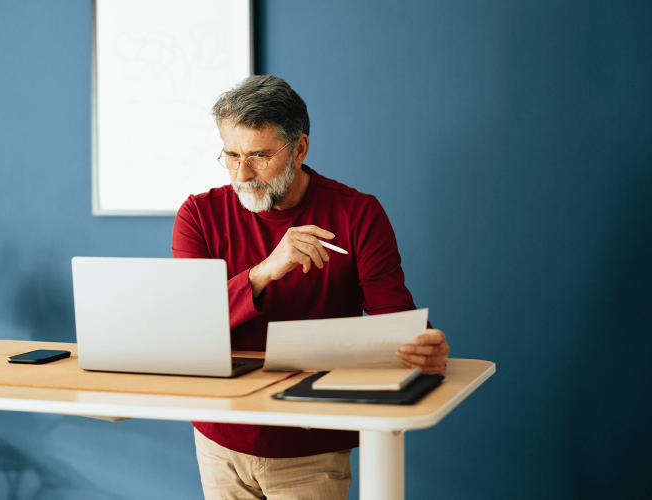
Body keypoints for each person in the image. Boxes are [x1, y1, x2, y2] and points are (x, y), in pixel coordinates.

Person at [170, 75, 451, 500]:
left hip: (310, 446)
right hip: (219, 436)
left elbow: (394, 320)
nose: (242, 174)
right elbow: (188, 324)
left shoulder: (358, 213)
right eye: (231, 155)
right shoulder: (197, 214)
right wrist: (265, 271)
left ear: (300, 148)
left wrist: (420, 346)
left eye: (259, 156)